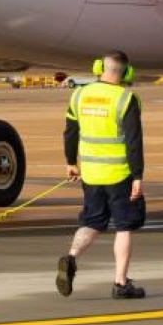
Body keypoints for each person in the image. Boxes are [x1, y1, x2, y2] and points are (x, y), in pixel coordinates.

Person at [56, 50, 146, 299]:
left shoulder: (79, 95)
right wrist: (137, 175)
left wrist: (70, 162)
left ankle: (71, 258)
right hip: (119, 174)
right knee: (124, 226)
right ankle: (120, 283)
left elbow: (70, 132)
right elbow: (134, 141)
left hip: (91, 174)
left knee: (92, 222)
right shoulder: (126, 99)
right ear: (127, 72)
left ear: (99, 68)